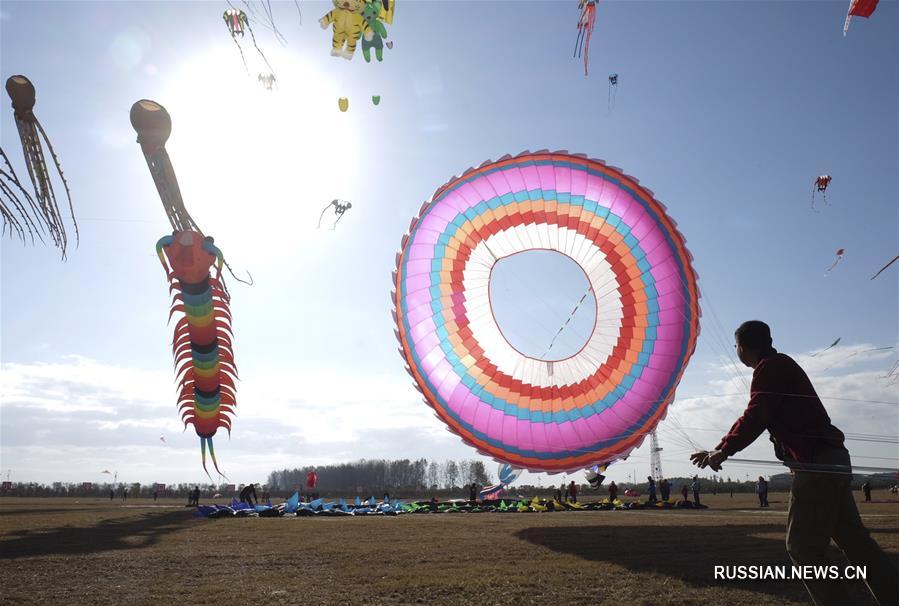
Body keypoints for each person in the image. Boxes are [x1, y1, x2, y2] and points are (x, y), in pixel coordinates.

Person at [691, 320, 898, 605]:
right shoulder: (781, 364)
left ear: (742, 347)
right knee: (857, 543)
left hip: (816, 465)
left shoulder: (769, 368)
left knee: (803, 549)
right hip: (832, 460)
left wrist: (724, 450)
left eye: (736, 346)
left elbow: (757, 414)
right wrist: (719, 448)